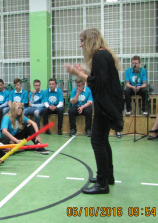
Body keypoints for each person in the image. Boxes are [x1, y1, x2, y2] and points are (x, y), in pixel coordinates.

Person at [65, 28, 124, 194]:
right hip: (108, 103)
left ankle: (102, 183)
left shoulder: (100, 55)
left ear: (90, 41)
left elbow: (98, 83)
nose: (80, 45)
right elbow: (99, 79)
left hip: (106, 105)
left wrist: (77, 73)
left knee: (97, 141)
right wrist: (85, 73)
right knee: (103, 140)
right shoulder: (103, 55)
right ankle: (107, 176)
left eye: (82, 41)